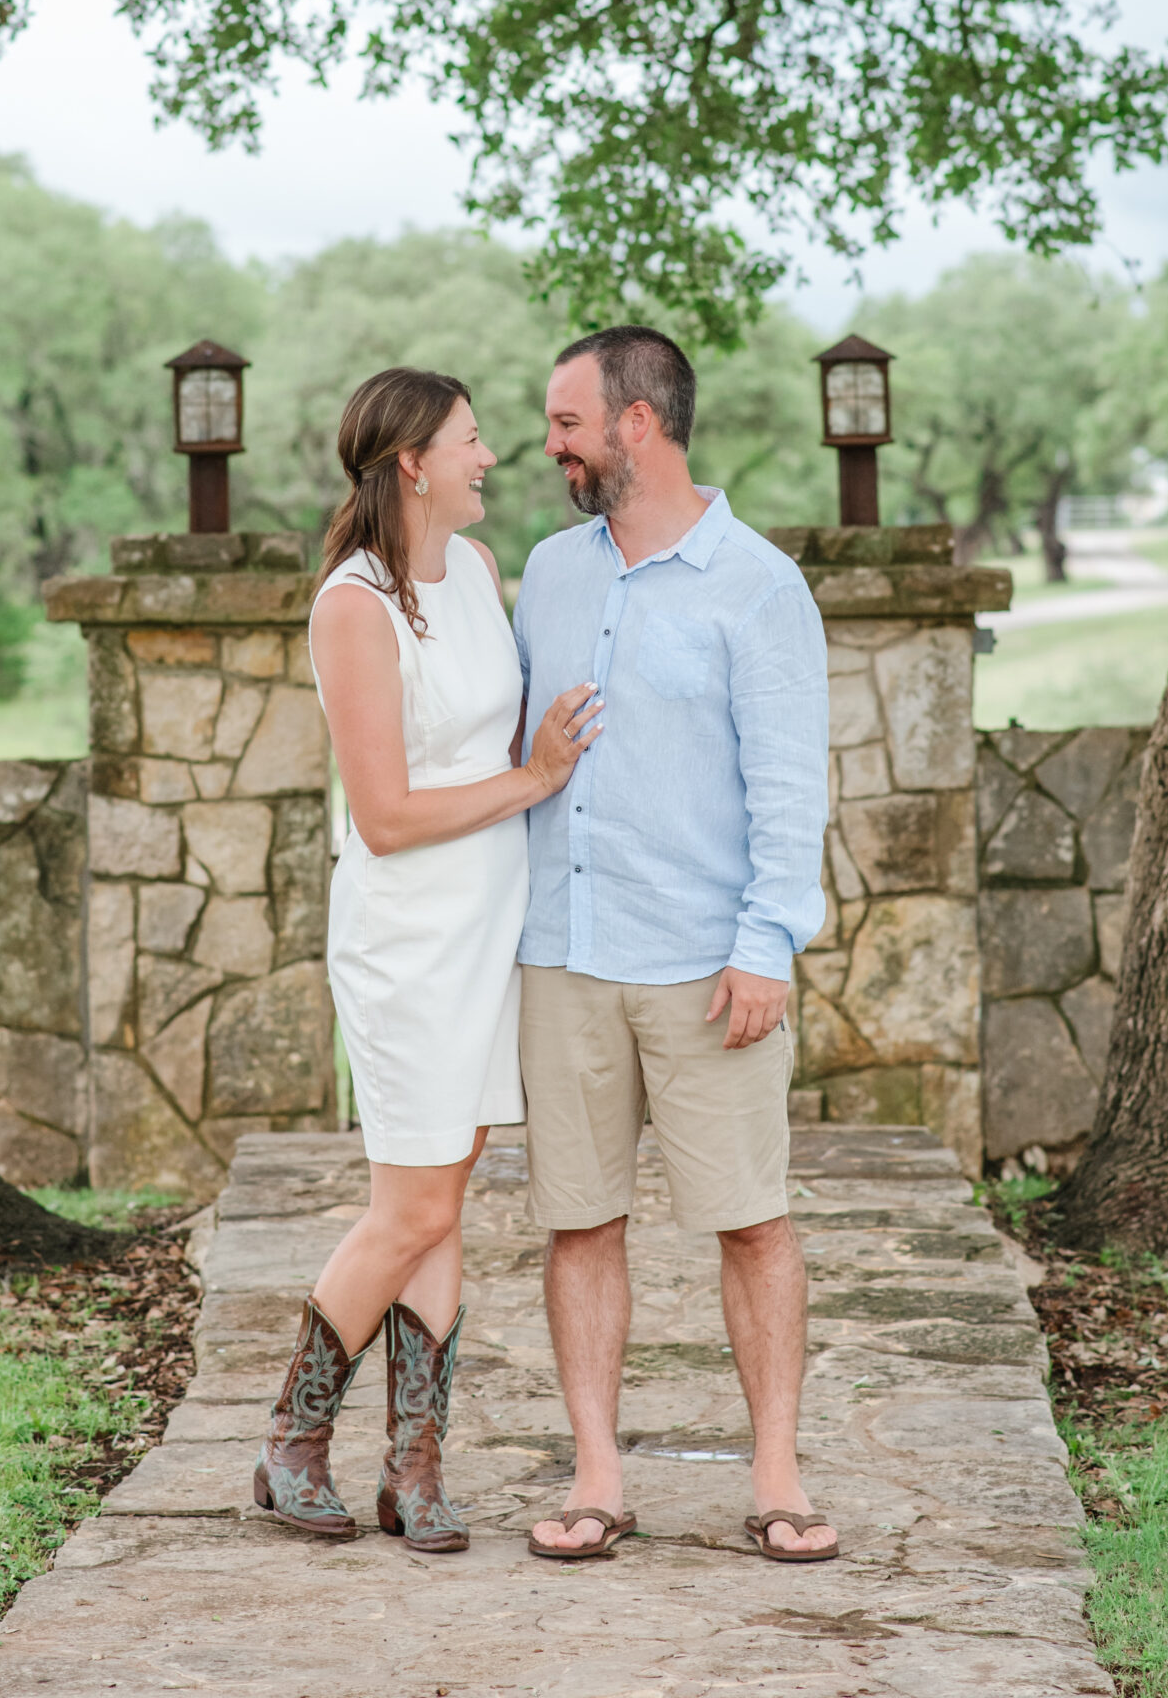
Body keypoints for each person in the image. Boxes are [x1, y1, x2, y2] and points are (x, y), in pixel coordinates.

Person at [253, 365, 599, 1551]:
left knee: (444, 1200)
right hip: (405, 941)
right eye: (467, 439)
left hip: (485, 931)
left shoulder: (480, 574)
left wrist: (536, 769)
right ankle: (290, 1440)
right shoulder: (352, 604)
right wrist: (535, 778)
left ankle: (415, 1468)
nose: (488, 453)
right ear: (411, 462)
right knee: (408, 1204)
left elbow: (486, 740)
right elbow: (388, 812)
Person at [514, 326, 839, 1565]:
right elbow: (518, 754)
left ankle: (775, 1477)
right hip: (565, 952)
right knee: (578, 1221)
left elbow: (787, 786)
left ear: (634, 423)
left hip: (711, 966)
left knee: (749, 1219)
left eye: (564, 424)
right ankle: (598, 1476)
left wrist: (766, 943)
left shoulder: (757, 585)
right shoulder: (547, 571)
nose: (549, 447)